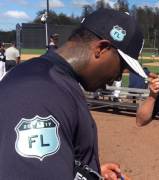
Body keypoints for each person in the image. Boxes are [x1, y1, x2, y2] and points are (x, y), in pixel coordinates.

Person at [0, 9, 147, 180]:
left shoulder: (53, 79)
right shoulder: (39, 92)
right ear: (101, 49)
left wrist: (87, 172)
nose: (119, 76)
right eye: (121, 66)